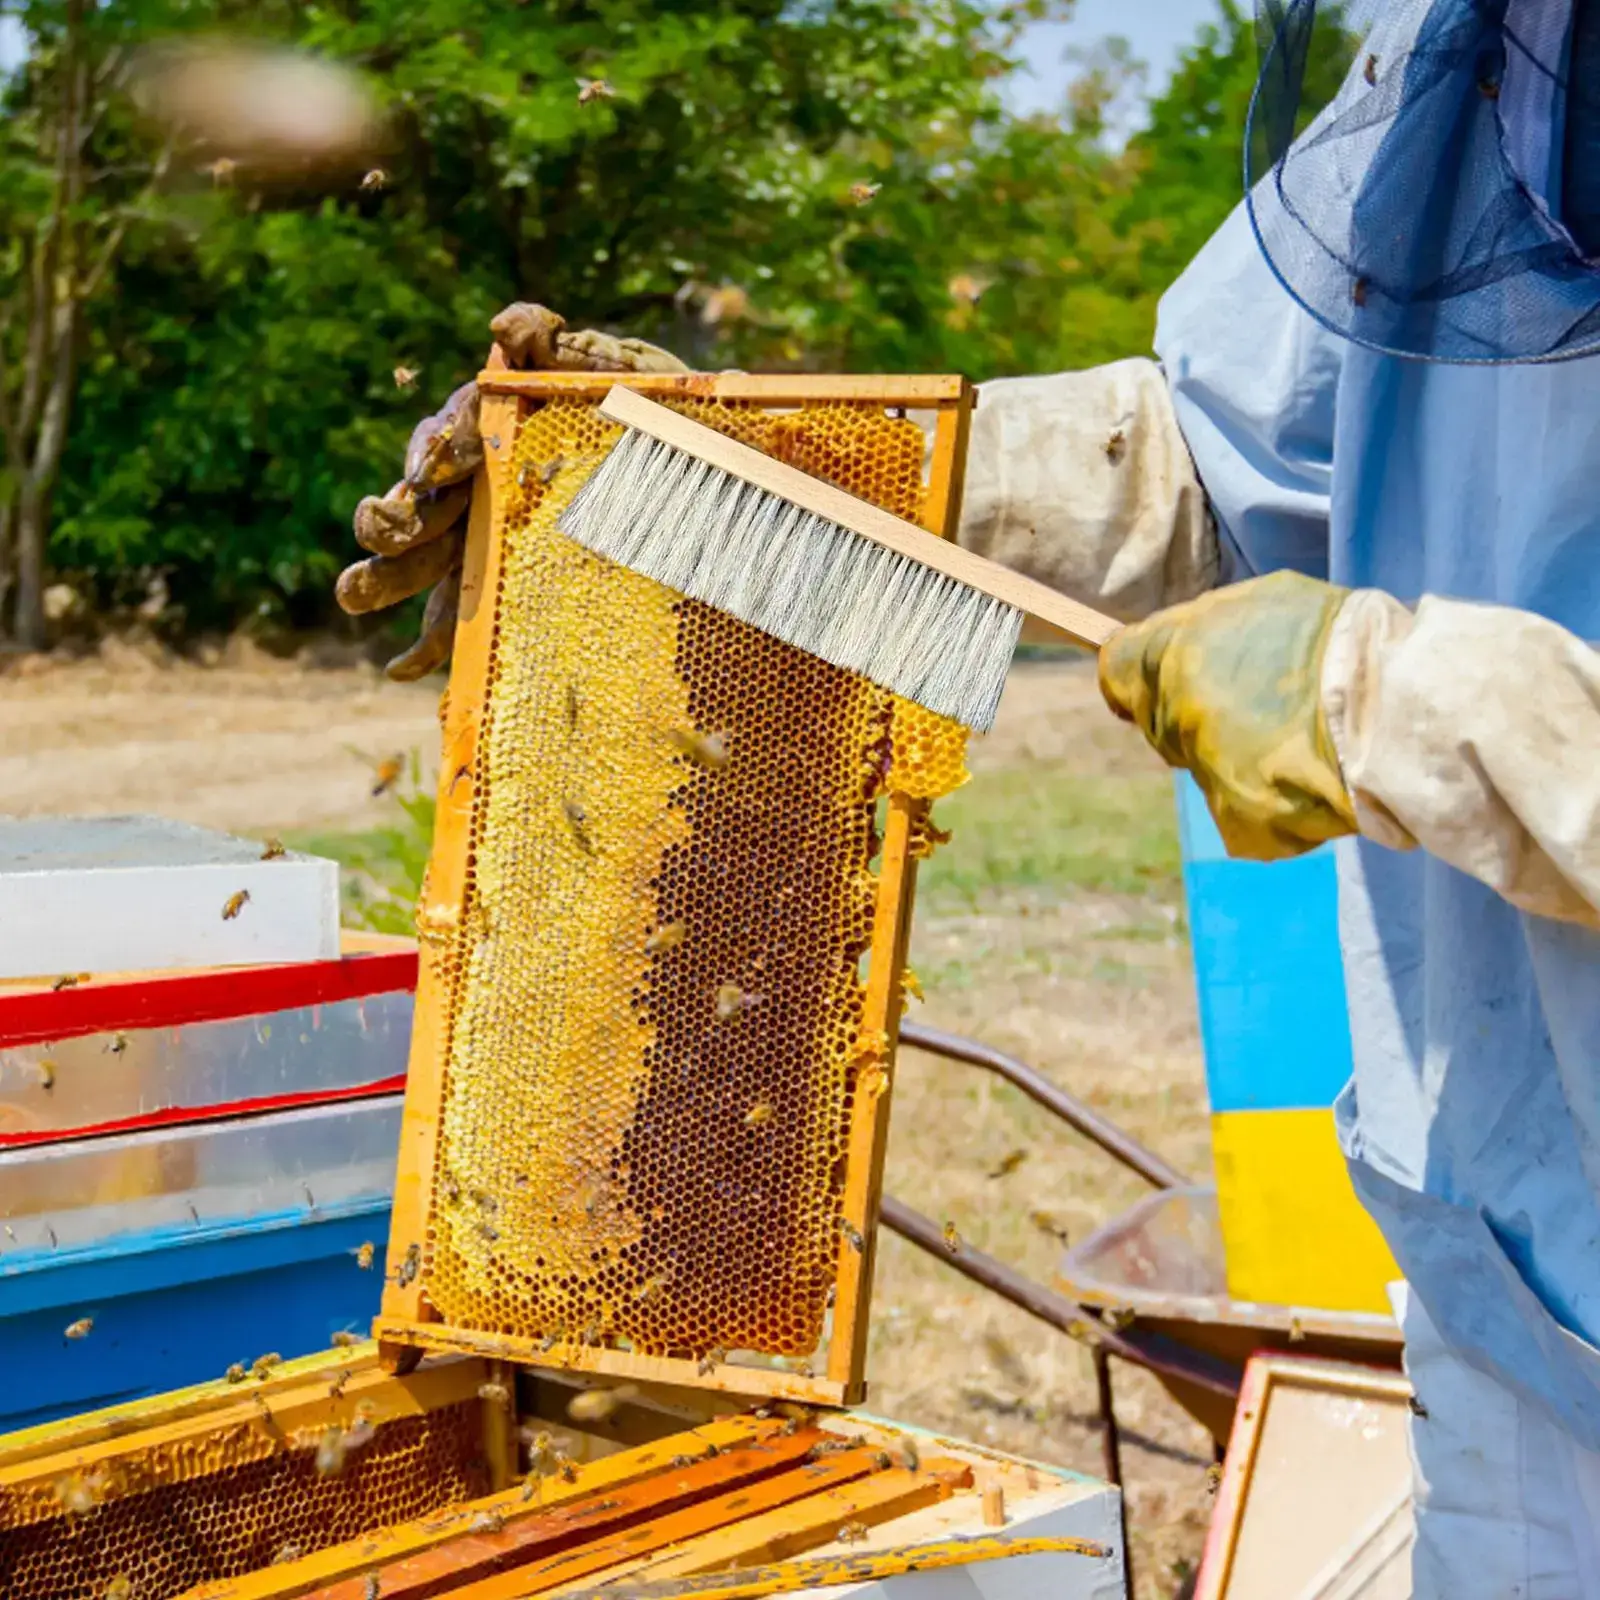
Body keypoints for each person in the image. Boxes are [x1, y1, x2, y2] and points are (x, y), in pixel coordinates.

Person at [339, 3, 1600, 1586]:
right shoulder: (1466, 54)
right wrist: (757, 476)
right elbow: (1217, 460)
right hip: (1510, 1337)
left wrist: (1421, 703)